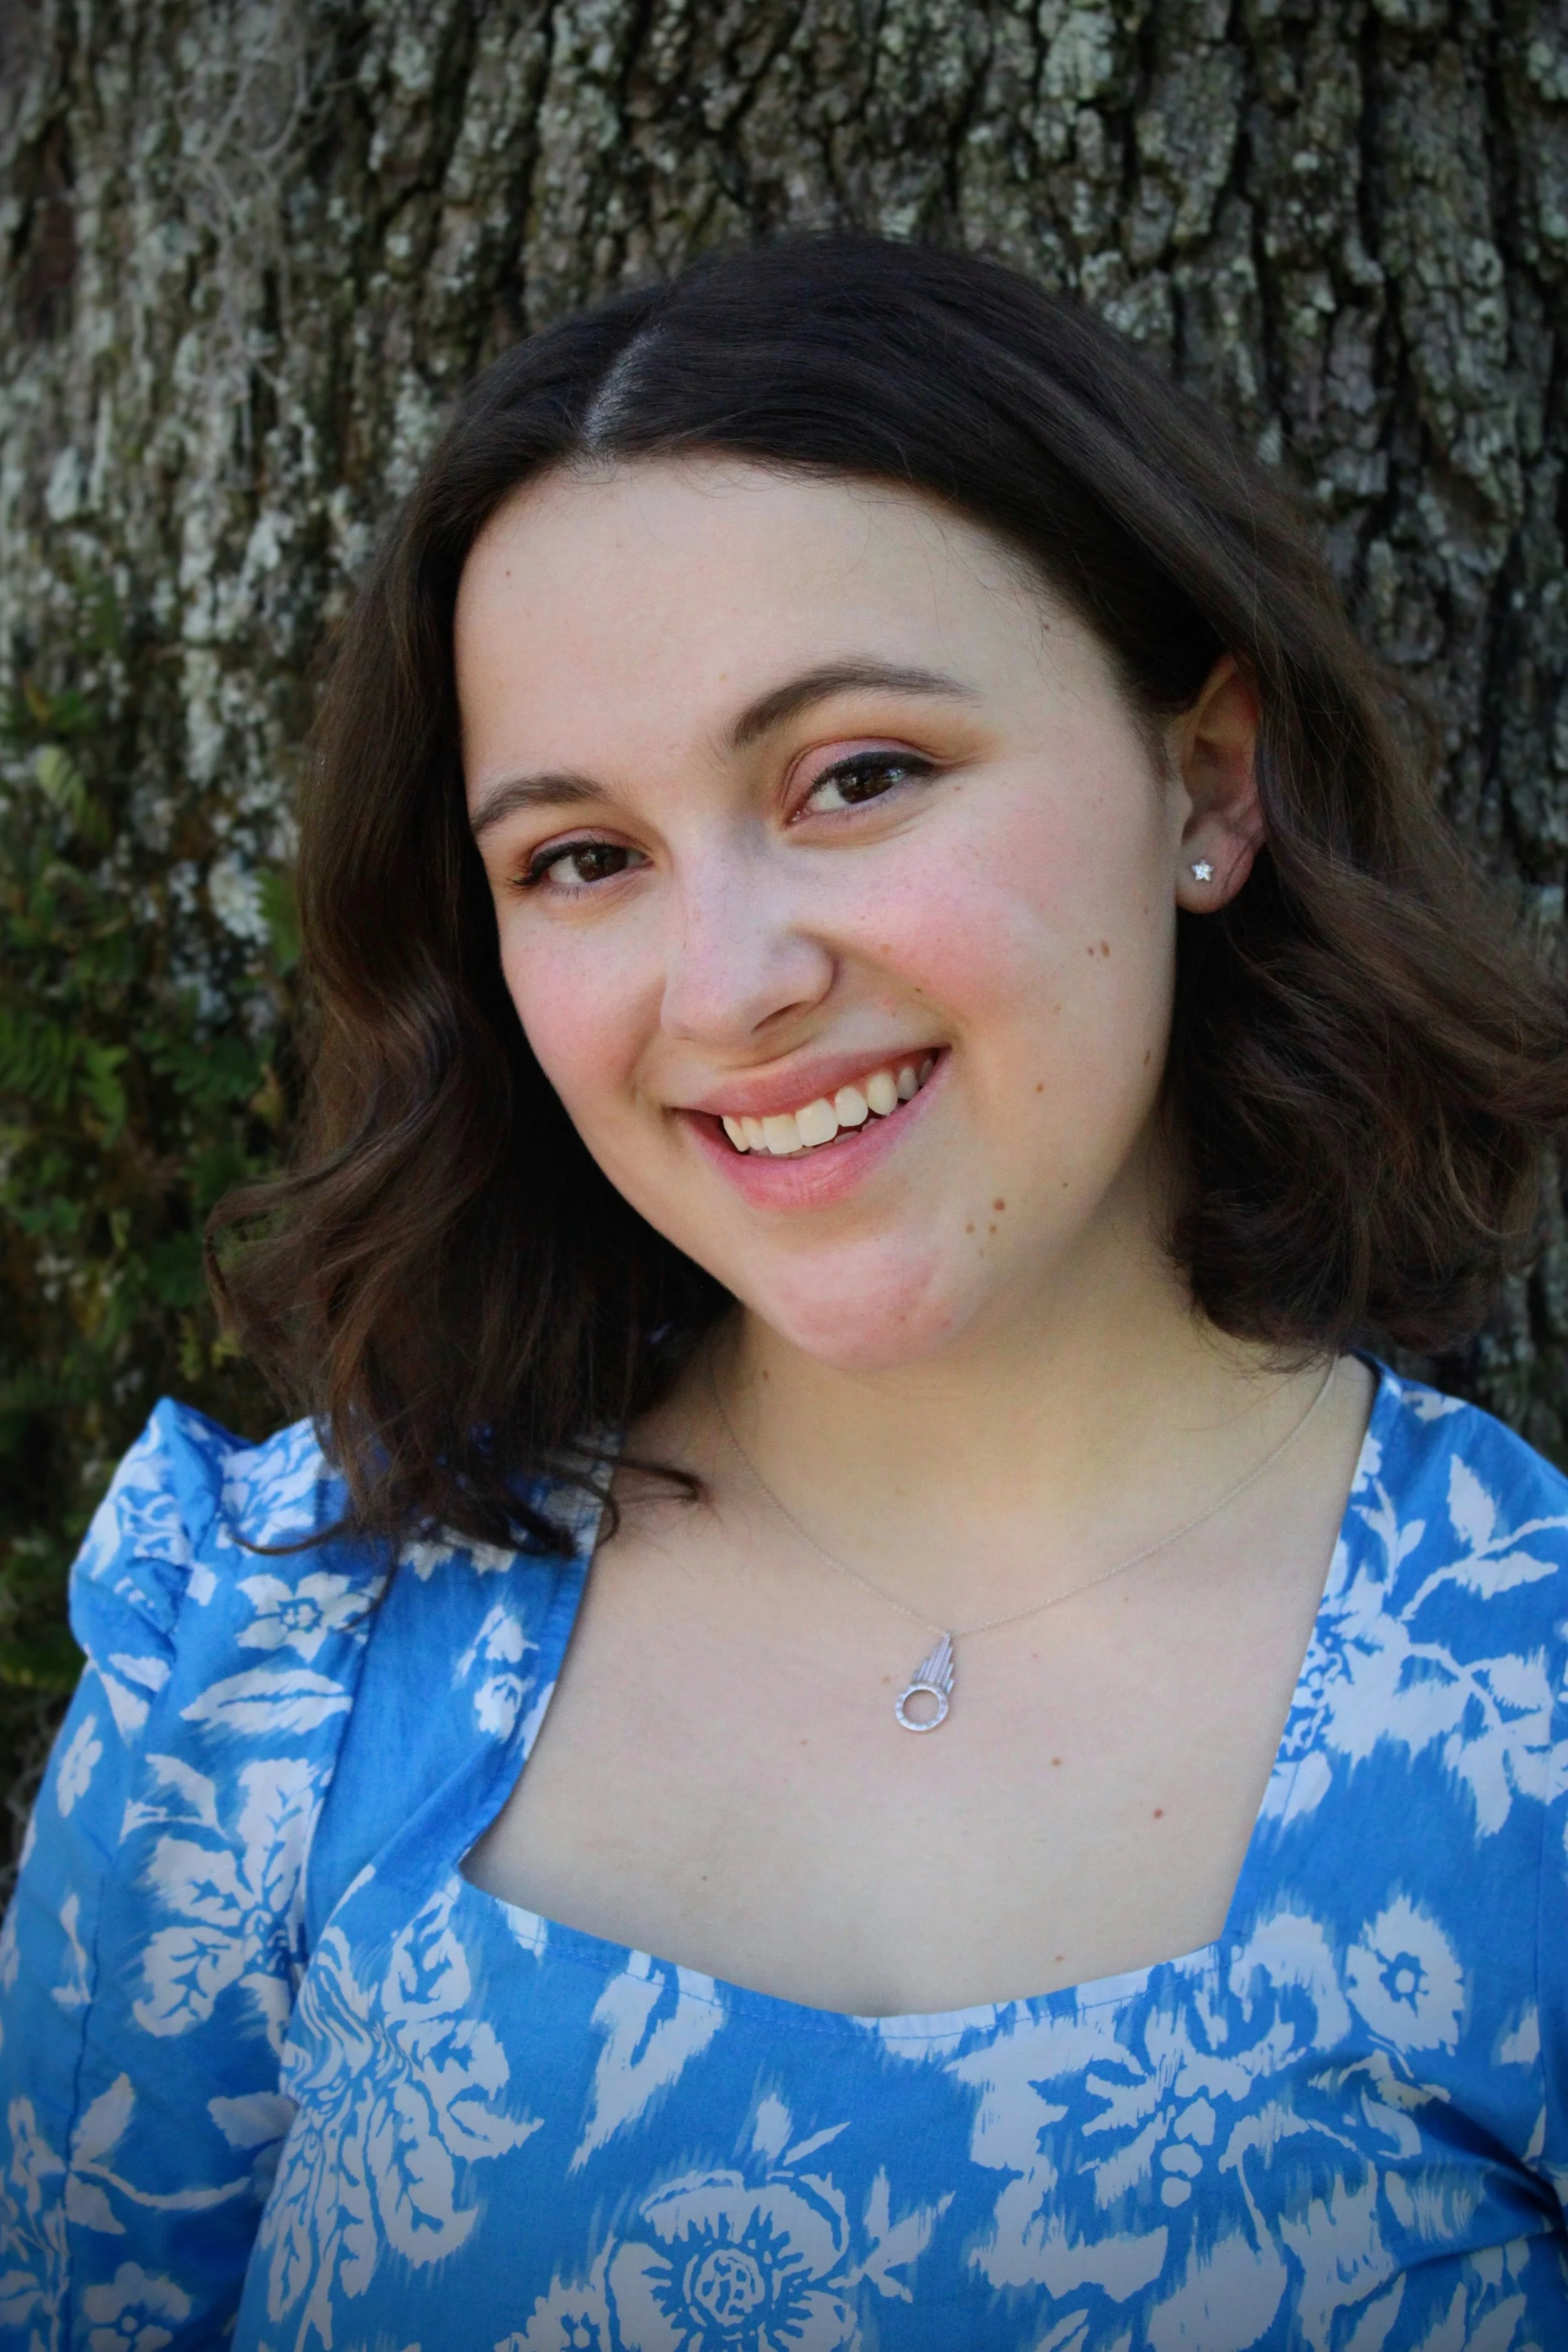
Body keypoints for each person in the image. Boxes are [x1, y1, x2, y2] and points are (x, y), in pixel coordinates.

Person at [1, 235, 1565, 2352]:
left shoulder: (1527, 1732)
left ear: (1205, 783)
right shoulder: (281, 1650)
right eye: (581, 857)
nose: (728, 985)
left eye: (856, 777)